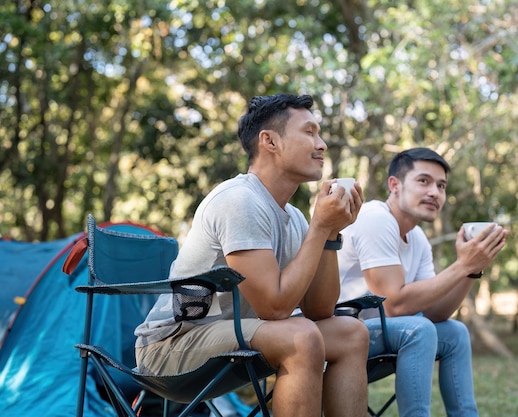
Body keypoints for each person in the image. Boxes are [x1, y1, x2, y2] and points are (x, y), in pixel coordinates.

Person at [135, 93, 370, 417]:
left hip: (237, 338)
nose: (322, 144)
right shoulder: (240, 200)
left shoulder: (294, 218)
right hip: (171, 348)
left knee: (350, 332)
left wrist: (329, 234)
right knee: (299, 337)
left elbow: (320, 309)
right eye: (309, 132)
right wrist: (318, 228)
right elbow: (274, 308)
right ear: (269, 141)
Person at [337, 147, 508, 417]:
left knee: (455, 333)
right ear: (395, 185)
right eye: (424, 181)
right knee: (418, 329)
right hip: (340, 334)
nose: (434, 192)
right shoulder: (375, 218)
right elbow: (393, 304)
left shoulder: (417, 239)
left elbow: (436, 311)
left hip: (377, 332)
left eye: (441, 186)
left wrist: (473, 270)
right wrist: (462, 265)